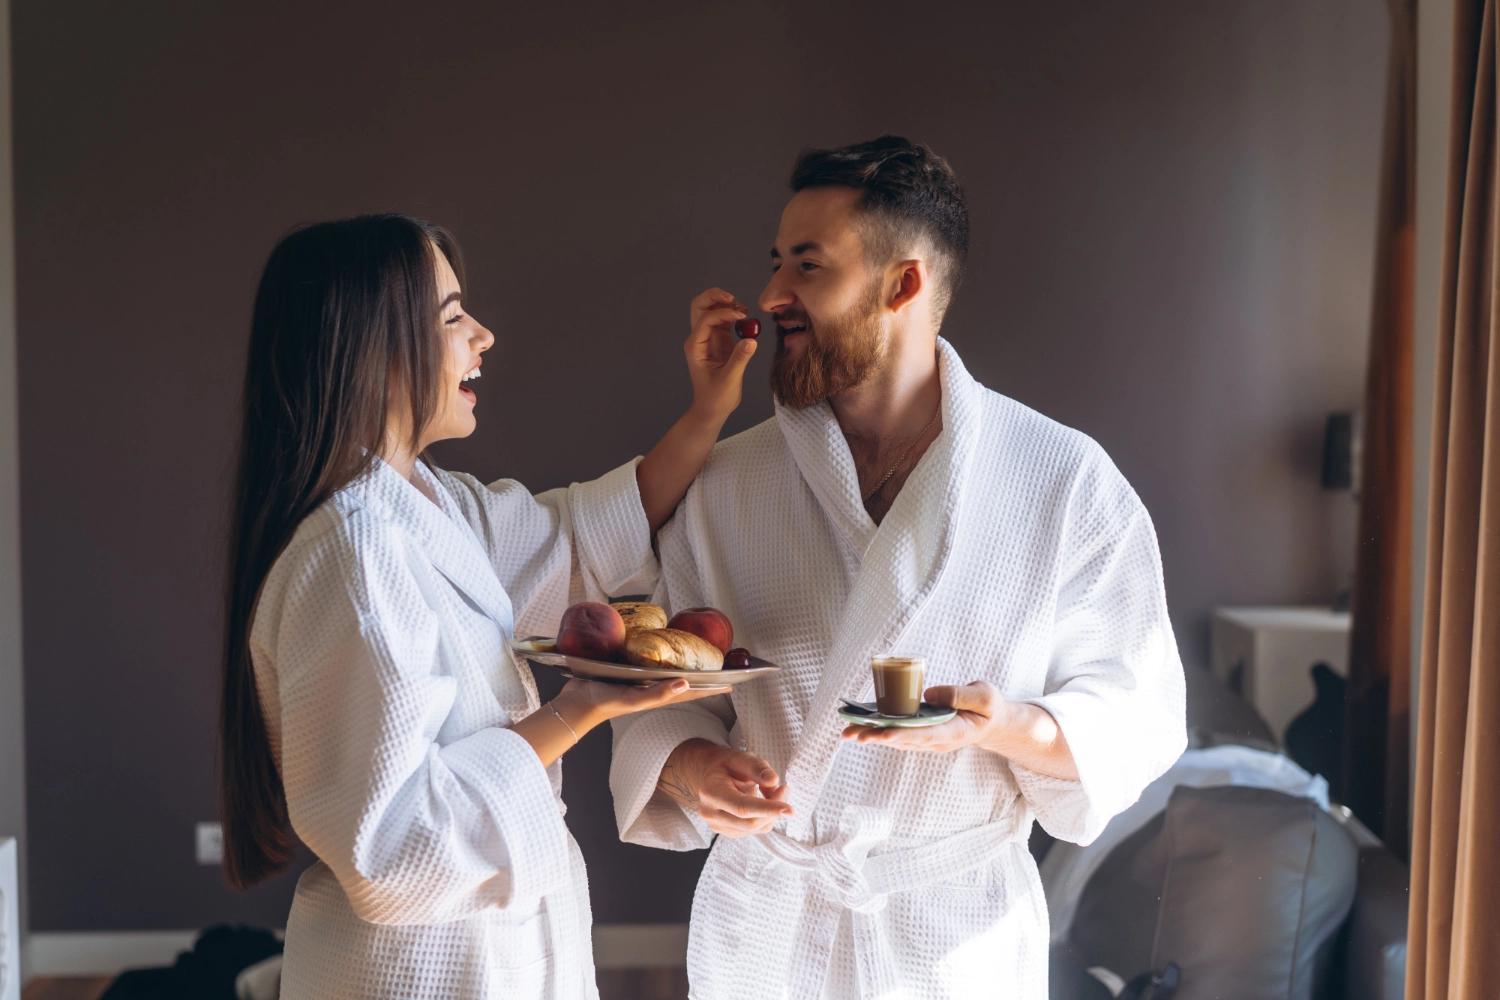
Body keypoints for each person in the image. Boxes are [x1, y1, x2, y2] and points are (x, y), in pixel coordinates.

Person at [609, 137, 1187, 998]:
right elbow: (663, 683)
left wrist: (1001, 726)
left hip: (953, 939)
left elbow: (1134, 717)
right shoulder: (728, 483)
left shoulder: (1063, 481)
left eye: (807, 266)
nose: (772, 295)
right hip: (772, 926)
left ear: (903, 284)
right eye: (776, 262)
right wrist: (693, 765)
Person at [219, 214, 755, 999]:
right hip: (416, 976)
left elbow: (582, 538)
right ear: (373, 348)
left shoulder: (434, 506)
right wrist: (577, 711)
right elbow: (395, 849)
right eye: (451, 318)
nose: (484, 334)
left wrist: (708, 410)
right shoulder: (353, 554)